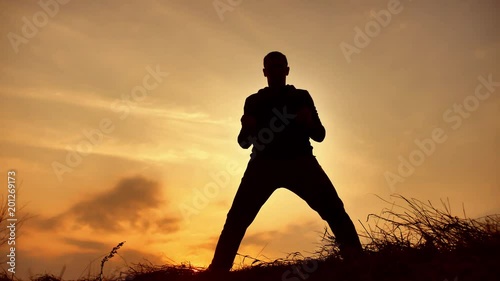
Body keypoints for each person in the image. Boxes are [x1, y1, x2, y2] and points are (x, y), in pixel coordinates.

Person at [208, 51, 363, 272]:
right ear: (264, 72)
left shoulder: (301, 96)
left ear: (287, 70)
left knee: (334, 210)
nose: (275, 70)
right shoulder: (253, 101)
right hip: (263, 165)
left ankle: (357, 261)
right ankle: (217, 271)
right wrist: (247, 127)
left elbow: (319, 134)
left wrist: (308, 122)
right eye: (271, 67)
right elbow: (243, 142)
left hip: (300, 162)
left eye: (279, 66)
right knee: (236, 219)